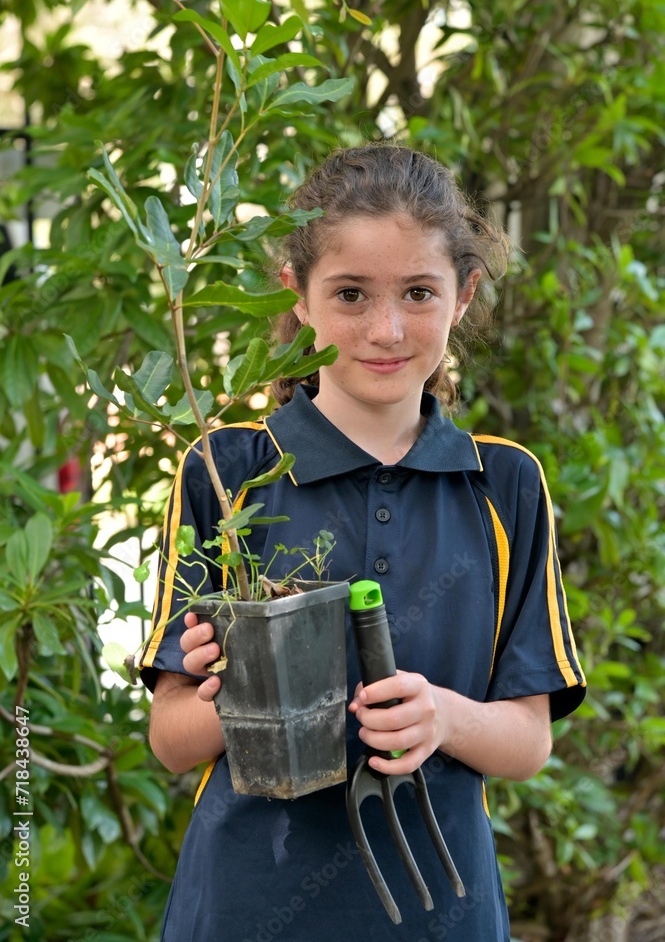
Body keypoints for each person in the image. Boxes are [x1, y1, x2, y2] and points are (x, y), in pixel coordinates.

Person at [139, 143, 586, 942]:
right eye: (350, 294)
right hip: (245, 904)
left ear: (464, 294)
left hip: (440, 909)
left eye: (418, 292)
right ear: (299, 297)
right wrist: (248, 689)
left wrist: (442, 718)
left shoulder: (504, 485)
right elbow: (173, 742)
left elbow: (527, 741)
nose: (385, 329)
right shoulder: (226, 469)